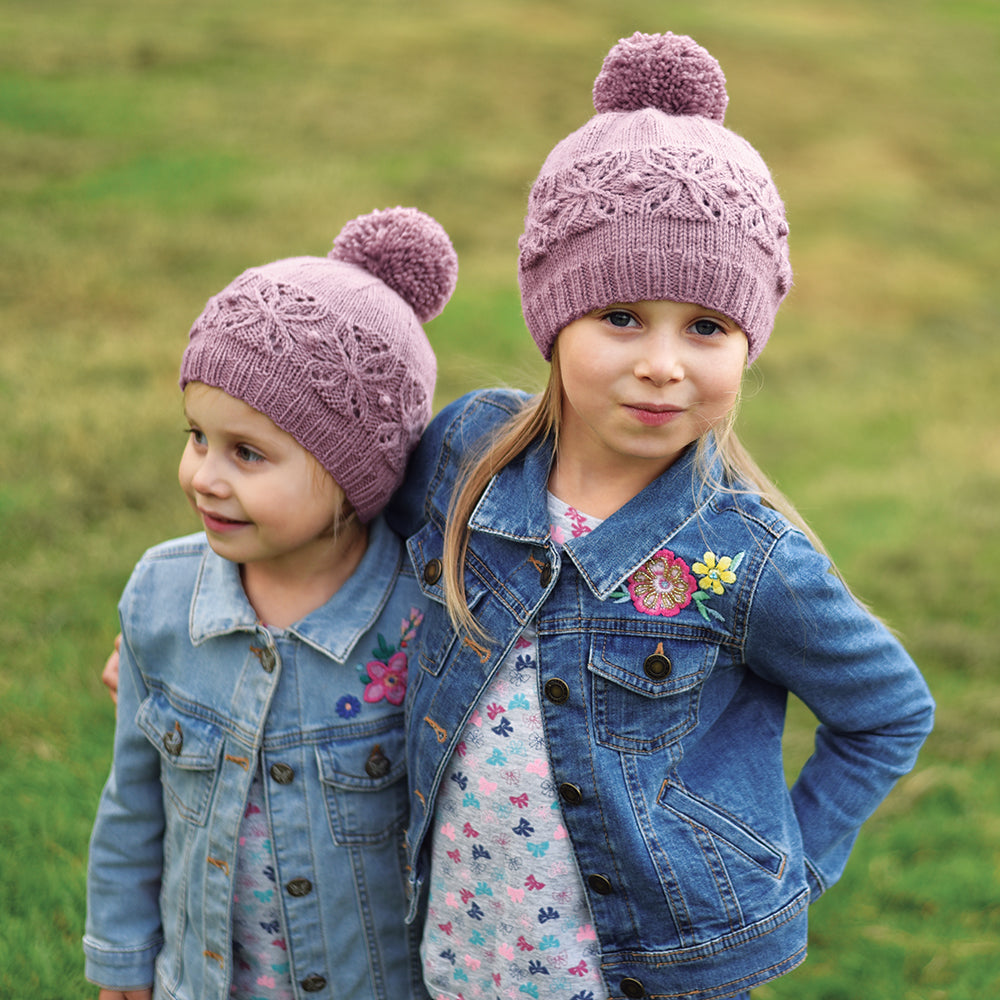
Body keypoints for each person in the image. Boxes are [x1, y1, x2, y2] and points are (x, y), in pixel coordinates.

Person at [384, 32, 935, 1000]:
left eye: (707, 327)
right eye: (622, 317)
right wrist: (180, 629)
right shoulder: (464, 455)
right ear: (554, 319)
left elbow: (887, 712)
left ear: (748, 341)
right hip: (461, 939)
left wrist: (777, 871)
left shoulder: (747, 557)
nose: (663, 363)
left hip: (652, 969)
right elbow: (333, 550)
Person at [84, 207, 457, 1000]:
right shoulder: (161, 597)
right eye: (197, 437)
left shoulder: (425, 619)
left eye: (247, 453)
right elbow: (132, 802)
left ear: (356, 473)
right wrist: (121, 955)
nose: (204, 477)